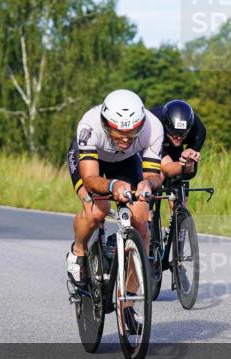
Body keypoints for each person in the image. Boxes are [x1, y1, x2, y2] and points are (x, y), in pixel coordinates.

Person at [66, 90, 163, 330]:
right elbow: (90, 178)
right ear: (106, 123)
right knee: (99, 210)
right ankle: (78, 252)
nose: (126, 137)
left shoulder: (153, 127)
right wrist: (112, 186)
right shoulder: (89, 125)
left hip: (127, 162)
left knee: (141, 221)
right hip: (91, 162)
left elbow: (152, 175)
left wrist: (146, 184)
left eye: (133, 131)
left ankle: (128, 303)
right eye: (119, 130)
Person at [148, 99, 206, 181]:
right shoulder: (154, 125)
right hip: (155, 137)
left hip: (169, 138)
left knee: (185, 176)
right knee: (158, 175)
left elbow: (190, 172)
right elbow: (167, 167)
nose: (178, 138)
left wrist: (188, 161)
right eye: (174, 133)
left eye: (183, 133)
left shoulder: (198, 130)